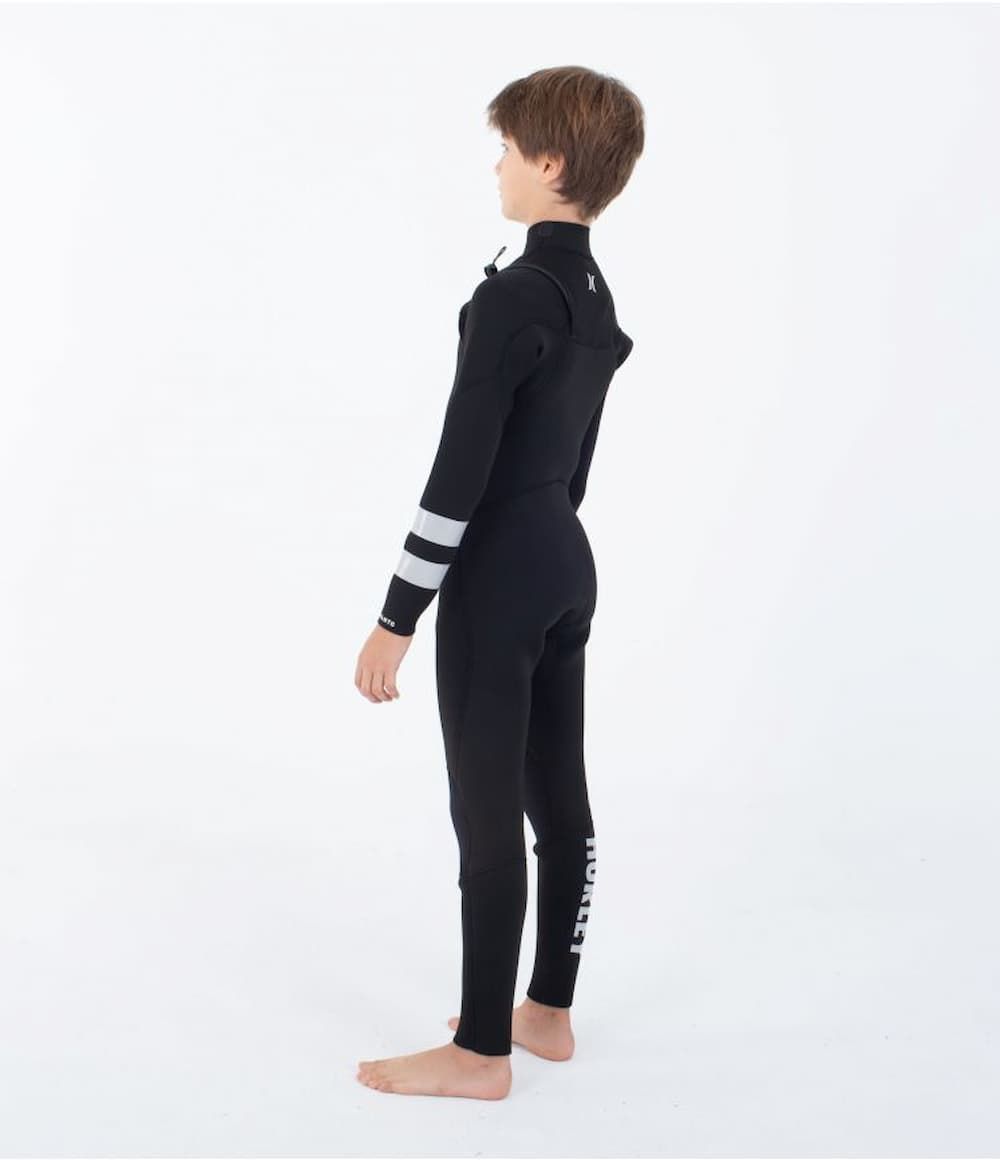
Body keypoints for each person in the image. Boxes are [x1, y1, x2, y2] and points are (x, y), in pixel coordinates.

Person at [354, 65, 643, 1100]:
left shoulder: (512, 296)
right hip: (566, 556)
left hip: (501, 575)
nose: (498, 167)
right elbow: (575, 465)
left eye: (509, 150)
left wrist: (397, 613)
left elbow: (458, 474)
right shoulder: (594, 298)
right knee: (558, 798)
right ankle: (546, 1013)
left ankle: (481, 1051)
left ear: (551, 163)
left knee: (484, 814)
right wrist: (544, 535)